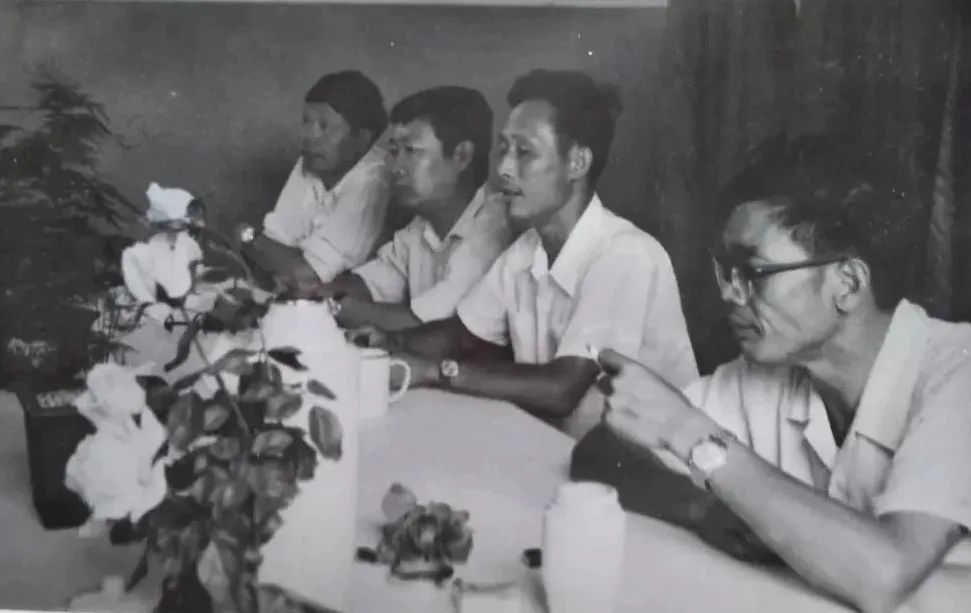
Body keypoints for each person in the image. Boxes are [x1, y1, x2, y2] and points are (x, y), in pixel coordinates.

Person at [577, 140, 971, 612]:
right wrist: (703, 508)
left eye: (753, 272)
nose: (730, 294)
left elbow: (885, 575)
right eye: (726, 272)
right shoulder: (771, 372)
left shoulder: (958, 373)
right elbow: (603, 450)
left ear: (847, 284)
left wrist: (691, 433)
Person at [353, 69, 698, 438]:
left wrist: (436, 371)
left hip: (655, 462)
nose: (503, 168)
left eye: (524, 152)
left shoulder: (626, 253)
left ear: (577, 162)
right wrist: (391, 342)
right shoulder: (526, 250)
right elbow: (464, 335)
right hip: (570, 446)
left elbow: (562, 388)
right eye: (503, 150)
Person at [319, 86, 514, 332]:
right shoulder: (420, 228)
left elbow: (430, 326)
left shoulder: (493, 227)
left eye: (411, 151)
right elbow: (371, 282)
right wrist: (317, 292)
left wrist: (338, 307)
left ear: (462, 156)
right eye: (394, 152)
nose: (396, 168)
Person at [244, 70, 391, 295]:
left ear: (363, 138)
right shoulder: (315, 161)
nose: (309, 135)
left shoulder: (375, 179)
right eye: (306, 122)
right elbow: (272, 241)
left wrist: (247, 236)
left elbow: (306, 275)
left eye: (324, 126)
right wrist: (269, 249)